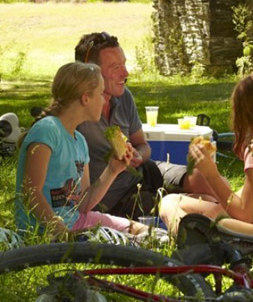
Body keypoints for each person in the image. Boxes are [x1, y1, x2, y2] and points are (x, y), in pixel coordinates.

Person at [74, 32, 220, 218]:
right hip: (116, 198)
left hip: (144, 172)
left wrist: (138, 155)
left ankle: (236, 219)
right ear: (90, 71)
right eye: (115, 67)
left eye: (124, 64)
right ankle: (232, 226)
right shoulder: (78, 111)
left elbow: (143, 146)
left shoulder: (123, 96)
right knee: (197, 207)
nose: (125, 73)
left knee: (204, 179)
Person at [159, 74, 253, 245]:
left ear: (241, 113)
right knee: (200, 200)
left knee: (169, 202)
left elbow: (246, 215)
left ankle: (191, 242)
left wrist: (212, 174)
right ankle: (192, 236)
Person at [15, 62, 151, 239]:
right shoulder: (47, 130)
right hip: (43, 232)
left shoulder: (80, 142)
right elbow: (31, 192)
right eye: (101, 94)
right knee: (128, 242)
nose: (104, 100)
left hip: (76, 222)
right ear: (85, 98)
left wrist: (112, 170)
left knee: (147, 234)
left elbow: (83, 204)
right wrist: (64, 235)